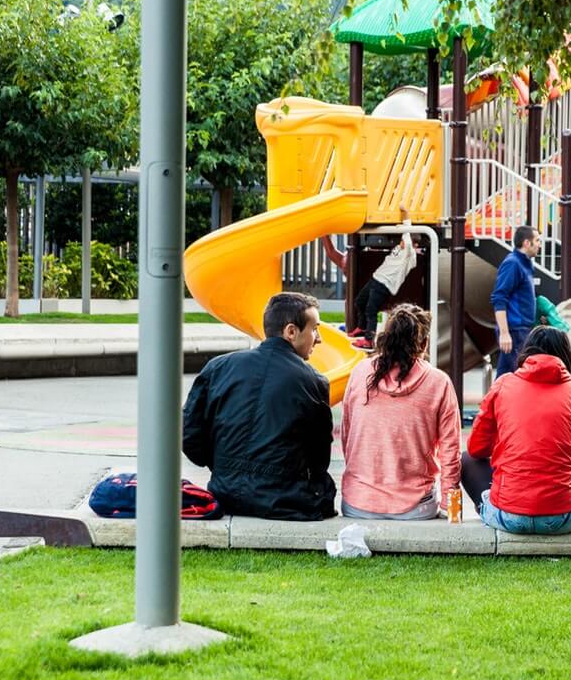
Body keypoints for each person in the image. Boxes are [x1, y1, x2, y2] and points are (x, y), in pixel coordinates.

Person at [182, 292, 336, 520]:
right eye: (315, 329)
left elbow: (190, 435)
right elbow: (319, 456)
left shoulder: (218, 368)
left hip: (225, 491)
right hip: (284, 499)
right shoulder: (313, 381)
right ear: (291, 332)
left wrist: (226, 467)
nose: (319, 338)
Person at [462, 326, 571, 535]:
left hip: (508, 516)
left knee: (466, 459)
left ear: (527, 351)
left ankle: (490, 507)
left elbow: (476, 449)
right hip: (563, 518)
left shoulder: (503, 385)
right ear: (566, 355)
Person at [339, 304, 463, 519]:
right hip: (415, 508)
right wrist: (451, 510)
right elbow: (450, 451)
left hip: (357, 503)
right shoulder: (438, 382)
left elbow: (347, 435)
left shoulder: (360, 372)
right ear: (423, 343)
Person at [351, 204, 418, 349]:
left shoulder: (408, 252)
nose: (402, 240)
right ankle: (362, 328)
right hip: (375, 279)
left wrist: (405, 211)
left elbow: (407, 228)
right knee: (359, 302)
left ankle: (369, 340)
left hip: (384, 284)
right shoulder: (400, 248)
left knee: (371, 309)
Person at [491, 225, 541, 376]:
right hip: (515, 331)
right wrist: (505, 333)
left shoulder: (525, 263)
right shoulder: (513, 263)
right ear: (527, 243)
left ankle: (495, 400)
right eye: (537, 240)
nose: (539, 244)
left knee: (506, 376)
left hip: (521, 330)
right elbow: (499, 297)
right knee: (520, 377)